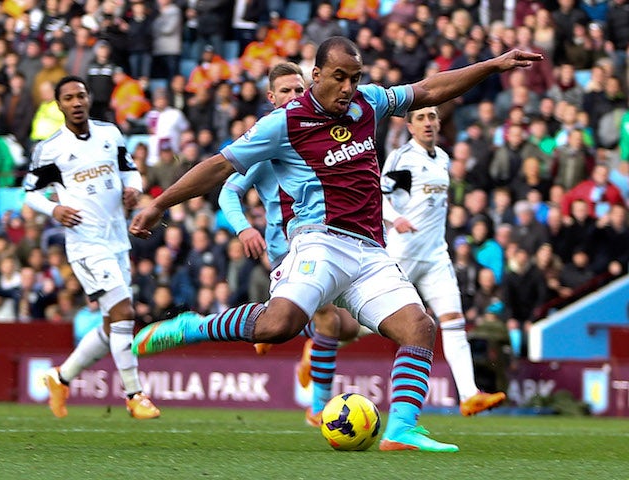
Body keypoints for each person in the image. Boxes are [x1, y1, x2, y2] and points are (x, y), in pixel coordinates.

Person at [129, 37, 541, 452]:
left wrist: (493, 65)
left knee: (419, 328)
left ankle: (400, 428)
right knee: (278, 327)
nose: (348, 88)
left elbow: (430, 89)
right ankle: (192, 326)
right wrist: (158, 203)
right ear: (317, 75)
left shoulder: (370, 102)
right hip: (319, 242)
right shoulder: (285, 122)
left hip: (371, 251)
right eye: (340, 78)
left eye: (355, 78)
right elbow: (219, 166)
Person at [217, 62, 360, 426]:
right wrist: (243, 229)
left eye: (299, 90)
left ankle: (300, 336)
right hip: (288, 250)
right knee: (328, 320)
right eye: (286, 91)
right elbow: (228, 192)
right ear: (271, 97)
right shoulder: (267, 141)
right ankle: (320, 408)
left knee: (350, 328)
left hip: (325, 243)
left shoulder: (315, 131)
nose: (295, 96)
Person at [22, 75, 160, 420]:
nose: (76, 102)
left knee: (112, 323)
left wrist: (133, 189)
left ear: (89, 98)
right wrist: (53, 208)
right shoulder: (50, 148)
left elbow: (130, 170)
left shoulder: (110, 134)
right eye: (68, 98)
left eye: (80, 96)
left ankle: (60, 376)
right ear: (59, 106)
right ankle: (134, 394)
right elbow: (30, 193)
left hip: (117, 239)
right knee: (125, 313)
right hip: (85, 243)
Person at [381, 106, 506, 416]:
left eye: (432, 117)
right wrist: (395, 219)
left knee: (453, 321)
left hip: (436, 256)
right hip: (403, 252)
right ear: (409, 126)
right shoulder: (403, 157)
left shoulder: (443, 159)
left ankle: (469, 395)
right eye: (420, 118)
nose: (427, 123)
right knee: (370, 322)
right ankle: (321, 340)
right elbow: (377, 194)